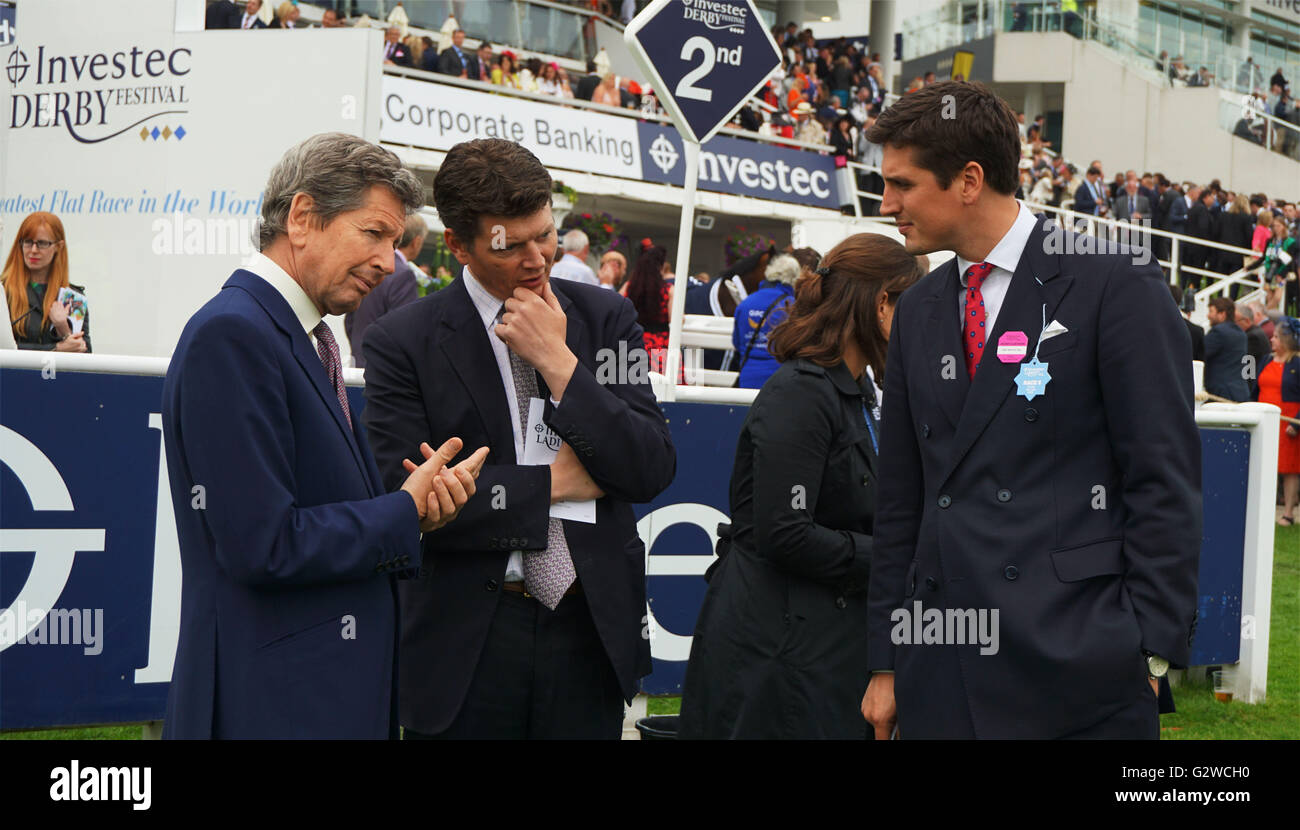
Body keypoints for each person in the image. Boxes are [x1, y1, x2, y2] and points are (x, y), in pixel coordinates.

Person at [860, 81, 1200, 740]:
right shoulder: (920, 309)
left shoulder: (1115, 283)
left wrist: (1148, 649)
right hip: (941, 669)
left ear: (968, 180)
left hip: (1079, 673)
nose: (887, 203)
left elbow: (1163, 478)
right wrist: (886, 659)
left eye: (902, 184)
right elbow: (902, 499)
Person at [160, 133, 487, 739]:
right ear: (303, 217)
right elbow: (264, 544)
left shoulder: (297, 336)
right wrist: (402, 512)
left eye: (393, 241)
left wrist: (411, 509)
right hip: (272, 709)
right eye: (374, 234)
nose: (389, 263)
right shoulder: (233, 336)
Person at [360, 139, 676, 739]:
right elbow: (406, 500)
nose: (538, 259)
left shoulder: (607, 320)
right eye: (511, 245)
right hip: (467, 639)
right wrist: (548, 486)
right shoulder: (403, 342)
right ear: (458, 246)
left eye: (546, 235)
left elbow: (650, 466)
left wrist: (559, 363)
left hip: (588, 626)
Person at [679, 234, 922, 739]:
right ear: (882, 306)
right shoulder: (802, 393)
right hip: (776, 657)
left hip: (815, 645)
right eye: (915, 308)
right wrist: (895, 557)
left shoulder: (853, 391)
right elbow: (785, 532)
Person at [346, 213, 426, 368]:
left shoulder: (366, 267)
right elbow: (405, 331)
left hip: (359, 362)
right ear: (416, 242)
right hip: (385, 369)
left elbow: (350, 319)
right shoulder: (403, 275)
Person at [3, 212, 90, 352]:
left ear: (58, 247)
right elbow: (4, 347)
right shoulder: (3, 291)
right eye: (28, 242)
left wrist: (63, 328)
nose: (33, 250)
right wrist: (55, 349)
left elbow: (86, 358)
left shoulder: (73, 298)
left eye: (42, 243)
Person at [730, 253, 798, 388]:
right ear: (794, 278)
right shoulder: (791, 306)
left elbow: (737, 343)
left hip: (747, 378)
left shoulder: (745, 303)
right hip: (779, 381)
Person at [1257, 318, 1300, 525]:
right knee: (1264, 463)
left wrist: (1296, 423)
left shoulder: (1297, 363)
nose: (1271, 340)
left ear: (1285, 341)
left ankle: (1288, 513)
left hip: (1288, 421)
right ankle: (1263, 508)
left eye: (1275, 337)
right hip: (1264, 417)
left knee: (1289, 468)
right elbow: (1255, 389)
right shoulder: (1266, 359)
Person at [624, 245, 677, 379]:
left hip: (633, 340)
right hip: (660, 344)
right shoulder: (668, 290)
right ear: (660, 267)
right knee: (665, 385)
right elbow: (676, 318)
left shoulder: (629, 287)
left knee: (631, 381)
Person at [1203, 296, 1250, 402]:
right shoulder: (1241, 333)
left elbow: (1201, 354)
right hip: (1240, 391)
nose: (1208, 315)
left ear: (1222, 314)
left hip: (1221, 392)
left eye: (1211, 311)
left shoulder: (1218, 332)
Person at [1238, 301, 1271, 399]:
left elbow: (1248, 368)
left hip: (1251, 388)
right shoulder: (1255, 332)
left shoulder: (1252, 336)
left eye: (1236, 322)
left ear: (1246, 321)